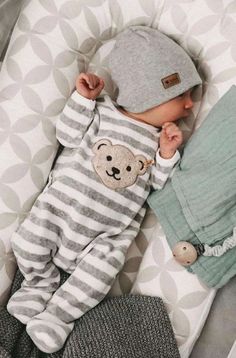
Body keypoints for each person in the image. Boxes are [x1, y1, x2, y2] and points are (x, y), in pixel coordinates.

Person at [7, 26, 202, 353]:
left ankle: (57, 316)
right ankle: (38, 285)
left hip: (107, 237)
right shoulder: (102, 112)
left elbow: (155, 188)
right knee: (26, 243)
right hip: (58, 210)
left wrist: (167, 156)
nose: (188, 106)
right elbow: (67, 137)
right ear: (150, 94)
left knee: (100, 277)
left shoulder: (160, 142)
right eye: (182, 95)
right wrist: (83, 101)